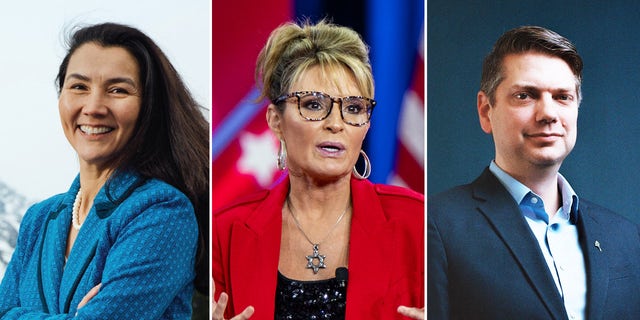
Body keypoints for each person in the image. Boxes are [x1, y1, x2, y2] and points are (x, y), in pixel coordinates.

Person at [211, 20, 424, 319]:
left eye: (353, 108)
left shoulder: (417, 222)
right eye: (313, 105)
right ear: (275, 120)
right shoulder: (224, 232)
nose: (336, 123)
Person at [427, 25, 640, 319]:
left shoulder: (627, 238)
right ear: (485, 110)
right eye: (526, 95)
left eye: (562, 96)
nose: (548, 114)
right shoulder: (436, 225)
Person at [0, 22, 210, 318]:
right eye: (79, 87)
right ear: (61, 98)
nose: (94, 106)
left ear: (148, 106)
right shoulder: (39, 220)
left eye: (117, 90)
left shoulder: (162, 212)